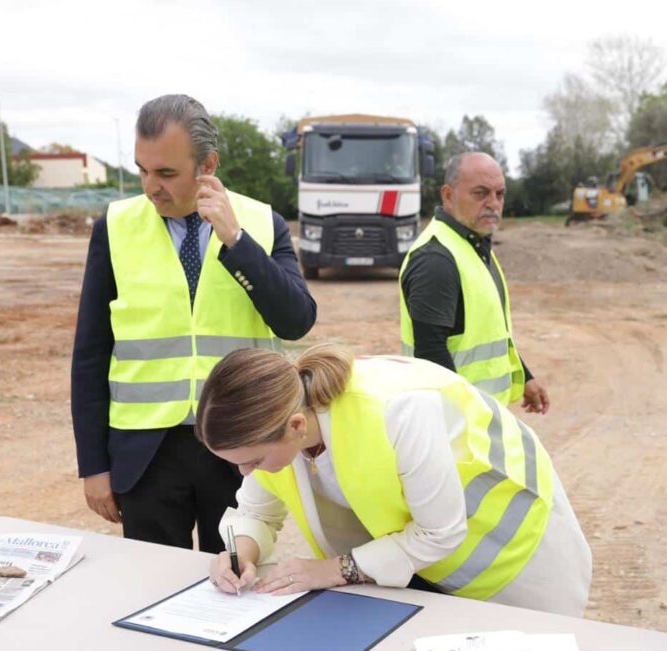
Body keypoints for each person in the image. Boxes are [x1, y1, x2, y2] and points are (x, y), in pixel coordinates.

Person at [71, 94, 317, 553]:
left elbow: (296, 320)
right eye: (143, 170)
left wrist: (236, 240)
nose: (150, 186)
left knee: (233, 587)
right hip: (145, 454)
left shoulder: (262, 223)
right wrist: (93, 465)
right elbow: (90, 352)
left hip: (241, 447)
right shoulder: (116, 226)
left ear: (208, 165)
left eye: (166, 173)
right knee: (148, 588)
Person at [197, 344, 591, 616]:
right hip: (419, 571)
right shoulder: (284, 423)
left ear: (297, 426)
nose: (245, 473)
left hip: (509, 555)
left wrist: (333, 570)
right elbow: (255, 511)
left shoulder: (398, 413)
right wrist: (239, 554)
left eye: (251, 461)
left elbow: (440, 534)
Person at [399, 152, 550, 413]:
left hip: (482, 416)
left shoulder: (473, 246)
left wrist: (523, 376)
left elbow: (490, 331)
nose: (493, 203)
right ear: (448, 195)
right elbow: (430, 352)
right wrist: (468, 418)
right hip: (455, 422)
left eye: (499, 194)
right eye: (481, 193)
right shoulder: (436, 259)